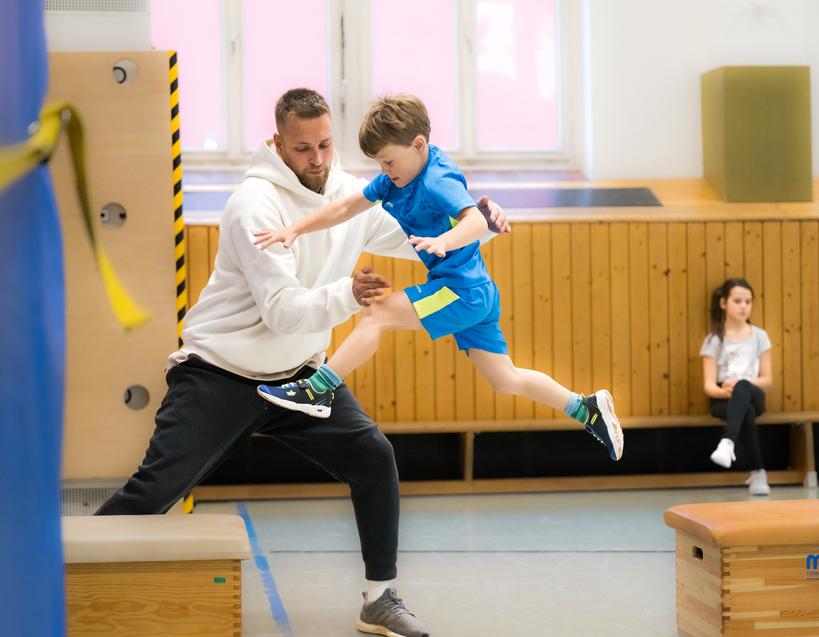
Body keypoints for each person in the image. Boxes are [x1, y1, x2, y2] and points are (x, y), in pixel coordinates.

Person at [96, 88, 512, 637]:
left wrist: (482, 220)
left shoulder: (350, 193)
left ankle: (379, 599)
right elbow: (282, 312)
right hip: (221, 371)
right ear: (278, 143)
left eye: (325, 145)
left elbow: (424, 238)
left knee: (373, 457)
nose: (316, 159)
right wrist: (349, 293)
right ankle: (61, 580)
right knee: (153, 490)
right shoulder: (254, 205)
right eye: (302, 149)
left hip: (300, 377)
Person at [253, 93, 624, 462]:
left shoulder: (436, 181)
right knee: (505, 378)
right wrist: (296, 228)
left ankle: (317, 390)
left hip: (460, 291)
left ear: (418, 145)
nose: (385, 170)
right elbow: (348, 206)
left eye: (389, 161)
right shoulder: (397, 177)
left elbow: (474, 221)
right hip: (477, 291)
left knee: (376, 314)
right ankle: (586, 408)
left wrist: (443, 241)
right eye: (380, 163)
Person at [699, 278, 773, 496]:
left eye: (748, 302)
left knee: (743, 389)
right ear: (724, 303)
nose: (743, 306)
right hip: (724, 398)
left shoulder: (760, 336)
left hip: (753, 393)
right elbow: (709, 385)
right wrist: (724, 391)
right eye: (738, 301)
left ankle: (727, 441)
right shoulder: (714, 340)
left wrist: (742, 384)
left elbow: (767, 379)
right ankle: (758, 473)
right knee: (745, 410)